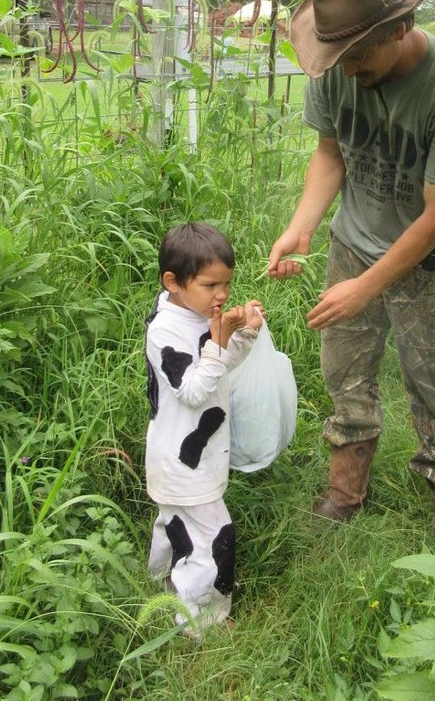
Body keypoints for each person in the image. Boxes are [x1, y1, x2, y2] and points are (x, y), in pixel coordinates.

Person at [268, 0, 435, 557]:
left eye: (359, 56)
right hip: (352, 244)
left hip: (428, 264)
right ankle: (345, 493)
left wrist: (366, 287)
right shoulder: (338, 66)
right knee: (346, 375)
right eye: (337, 58)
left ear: (400, 28)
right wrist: (302, 226)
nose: (347, 70)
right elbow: (330, 152)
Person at [145, 222, 263, 630]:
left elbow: (220, 366)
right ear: (173, 282)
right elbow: (194, 390)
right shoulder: (165, 331)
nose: (223, 295)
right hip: (182, 462)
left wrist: (243, 334)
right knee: (216, 536)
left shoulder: (197, 315)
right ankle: (202, 623)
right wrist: (219, 337)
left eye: (227, 284)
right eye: (212, 285)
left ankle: (159, 582)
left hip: (194, 456)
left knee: (174, 522)